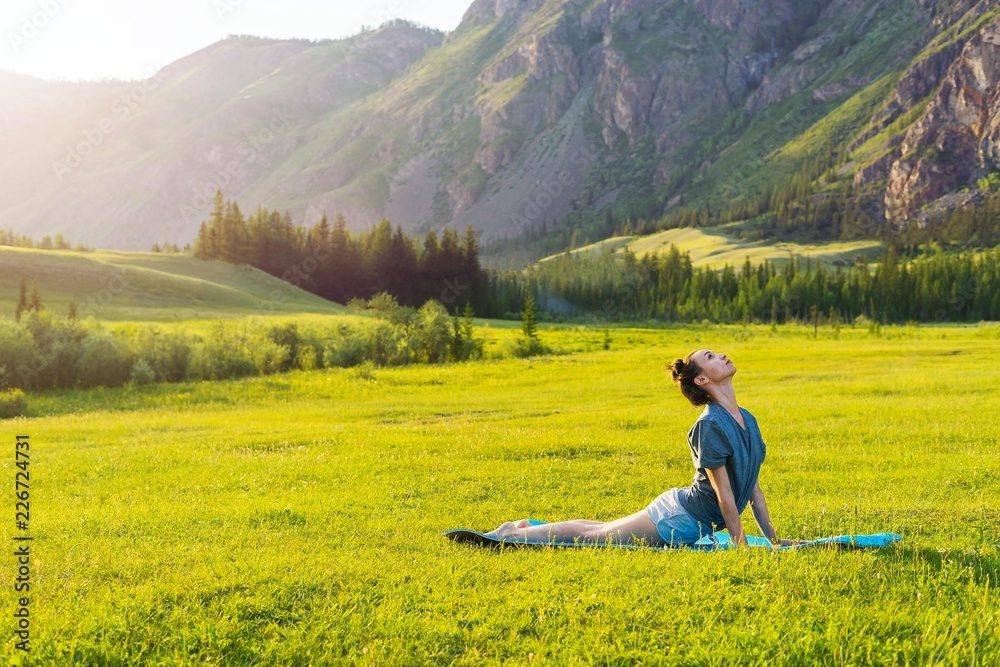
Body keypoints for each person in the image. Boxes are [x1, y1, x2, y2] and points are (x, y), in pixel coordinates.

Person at [491, 348, 801, 548]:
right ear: (703, 378)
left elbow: (752, 489)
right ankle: (513, 534)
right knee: (595, 538)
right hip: (677, 519)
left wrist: (773, 540)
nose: (722, 354)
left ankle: (527, 527)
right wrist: (741, 547)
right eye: (710, 356)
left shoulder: (747, 419)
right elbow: (725, 497)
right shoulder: (711, 425)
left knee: (602, 528)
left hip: (681, 511)